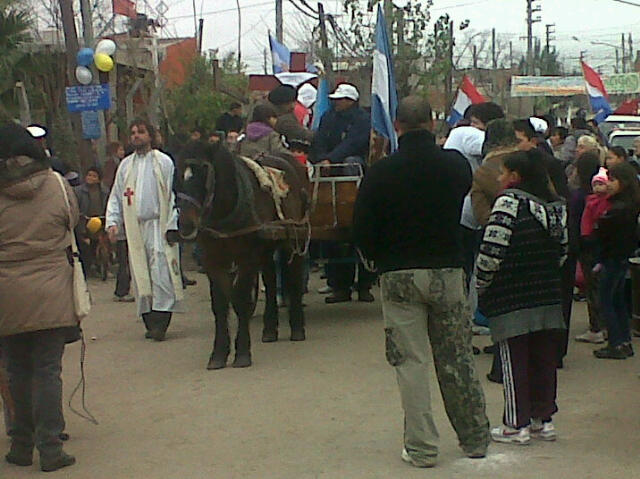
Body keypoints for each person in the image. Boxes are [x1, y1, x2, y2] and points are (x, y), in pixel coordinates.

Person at [353, 96, 489, 467]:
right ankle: (475, 438)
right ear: (432, 124)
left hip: (398, 274)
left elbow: (362, 228)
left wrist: (377, 260)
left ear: (396, 126)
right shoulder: (456, 165)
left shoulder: (380, 172)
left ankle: (423, 448)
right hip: (448, 269)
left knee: (410, 363)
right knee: (456, 358)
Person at [477, 149, 568, 445]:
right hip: (547, 292)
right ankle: (544, 420)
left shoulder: (508, 201)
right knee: (544, 359)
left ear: (515, 177)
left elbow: (493, 250)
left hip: (512, 294)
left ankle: (516, 424)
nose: (501, 178)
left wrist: (481, 283)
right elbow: (563, 251)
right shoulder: (556, 206)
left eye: (503, 173)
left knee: (513, 360)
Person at [0, 123, 77, 471]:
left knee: (16, 370)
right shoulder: (58, 186)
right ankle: (50, 449)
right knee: (48, 370)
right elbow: (72, 220)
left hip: (7, 294)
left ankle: (20, 445)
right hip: (52, 290)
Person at [106, 119, 184, 341]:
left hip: (159, 224)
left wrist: (172, 225)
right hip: (135, 226)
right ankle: (149, 320)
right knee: (141, 273)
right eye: (132, 133)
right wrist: (113, 222)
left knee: (161, 271)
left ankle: (161, 321)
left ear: (150, 135)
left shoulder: (163, 162)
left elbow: (171, 195)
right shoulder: (126, 165)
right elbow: (117, 196)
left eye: (141, 132)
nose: (136, 136)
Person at [593, 162, 640, 359]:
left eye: (613, 180)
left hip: (612, 260)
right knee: (618, 301)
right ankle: (624, 342)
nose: (609, 184)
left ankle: (615, 343)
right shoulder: (629, 205)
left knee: (607, 301)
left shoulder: (618, 210)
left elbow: (606, 237)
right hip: (621, 259)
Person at [571, 155, 606, 344]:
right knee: (602, 286)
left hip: (586, 246)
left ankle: (596, 328)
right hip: (602, 244)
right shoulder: (604, 192)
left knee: (592, 287)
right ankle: (605, 325)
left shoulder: (579, 195)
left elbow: (575, 221)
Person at [312, 83, 370, 172]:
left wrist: (331, 159)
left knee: (350, 162)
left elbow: (352, 144)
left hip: (353, 158)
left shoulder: (362, 119)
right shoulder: (328, 116)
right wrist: (322, 158)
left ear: (350, 101)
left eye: (339, 99)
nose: (335, 102)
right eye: (334, 99)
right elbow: (320, 138)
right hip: (327, 159)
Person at [74, 167, 109, 276]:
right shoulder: (78, 191)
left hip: (100, 220)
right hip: (85, 221)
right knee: (85, 245)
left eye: (94, 176)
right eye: (89, 175)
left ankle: (103, 264)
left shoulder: (104, 191)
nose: (91, 178)